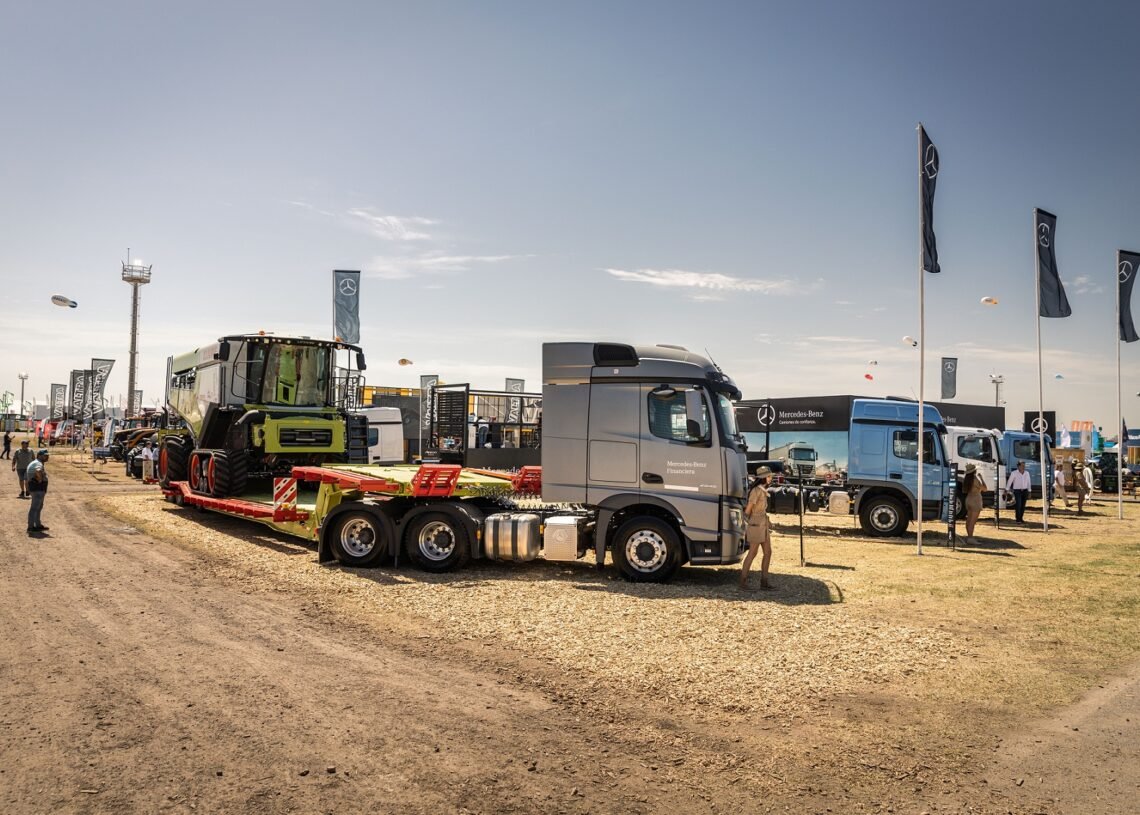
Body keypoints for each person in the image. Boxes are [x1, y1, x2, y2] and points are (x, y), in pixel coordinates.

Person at [740, 466, 775, 591]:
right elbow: (748, 510)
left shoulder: (763, 490)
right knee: (752, 553)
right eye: (769, 476)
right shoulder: (756, 491)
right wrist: (748, 523)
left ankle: (764, 582)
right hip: (756, 523)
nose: (771, 478)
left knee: (768, 552)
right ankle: (743, 582)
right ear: (763, 478)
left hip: (763, 523)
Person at [25, 448, 50, 533]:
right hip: (37, 489)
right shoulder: (38, 463)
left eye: (47, 455)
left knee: (38, 507)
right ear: (39, 456)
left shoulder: (36, 462)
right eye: (45, 456)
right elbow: (38, 470)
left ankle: (37, 525)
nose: (47, 457)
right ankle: (31, 526)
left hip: (37, 488)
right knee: (35, 508)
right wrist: (40, 480)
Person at [962, 463, 986, 544]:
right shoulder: (975, 479)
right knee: (972, 521)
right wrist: (982, 478)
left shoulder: (967, 479)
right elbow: (985, 489)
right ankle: (970, 538)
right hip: (975, 500)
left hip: (968, 499)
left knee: (969, 520)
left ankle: (969, 536)